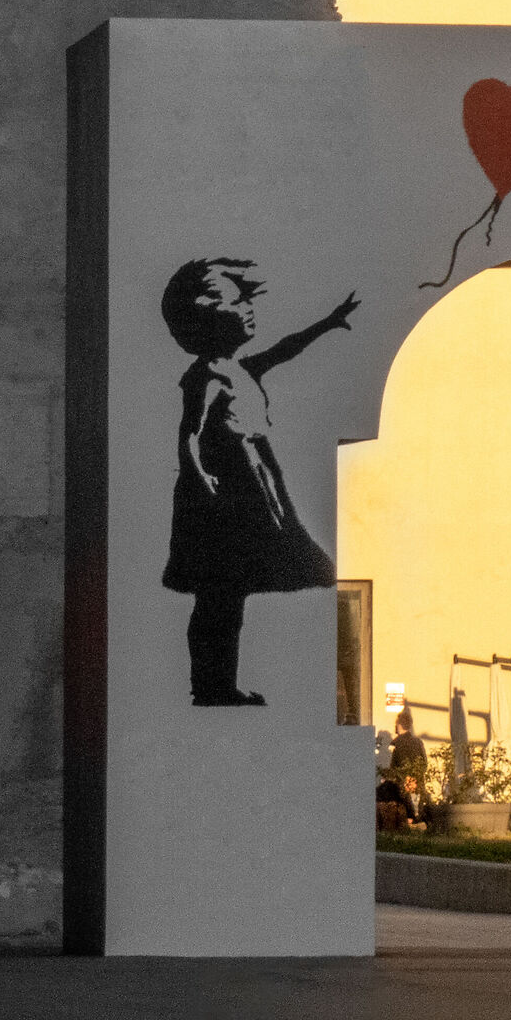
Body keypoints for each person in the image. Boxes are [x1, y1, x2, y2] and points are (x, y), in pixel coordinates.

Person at [158, 258, 357, 706]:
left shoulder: (241, 368)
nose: (249, 308)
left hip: (252, 485)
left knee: (230, 595)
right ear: (208, 315)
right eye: (238, 301)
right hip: (224, 493)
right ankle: (211, 687)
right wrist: (200, 476)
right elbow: (189, 434)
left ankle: (218, 685)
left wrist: (328, 322)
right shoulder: (206, 377)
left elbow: (285, 348)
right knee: (218, 595)